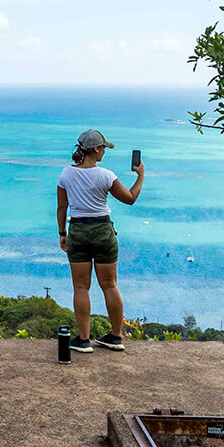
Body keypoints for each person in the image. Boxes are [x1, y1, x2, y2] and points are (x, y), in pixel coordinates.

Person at [56, 128, 144, 353]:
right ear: (95, 149)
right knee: (110, 285)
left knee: (80, 287)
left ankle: (84, 340)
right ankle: (116, 337)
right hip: (103, 230)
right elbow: (130, 199)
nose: (104, 151)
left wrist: (62, 234)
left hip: (78, 230)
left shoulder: (66, 174)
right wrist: (140, 175)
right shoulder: (106, 175)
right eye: (103, 147)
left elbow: (62, 208)